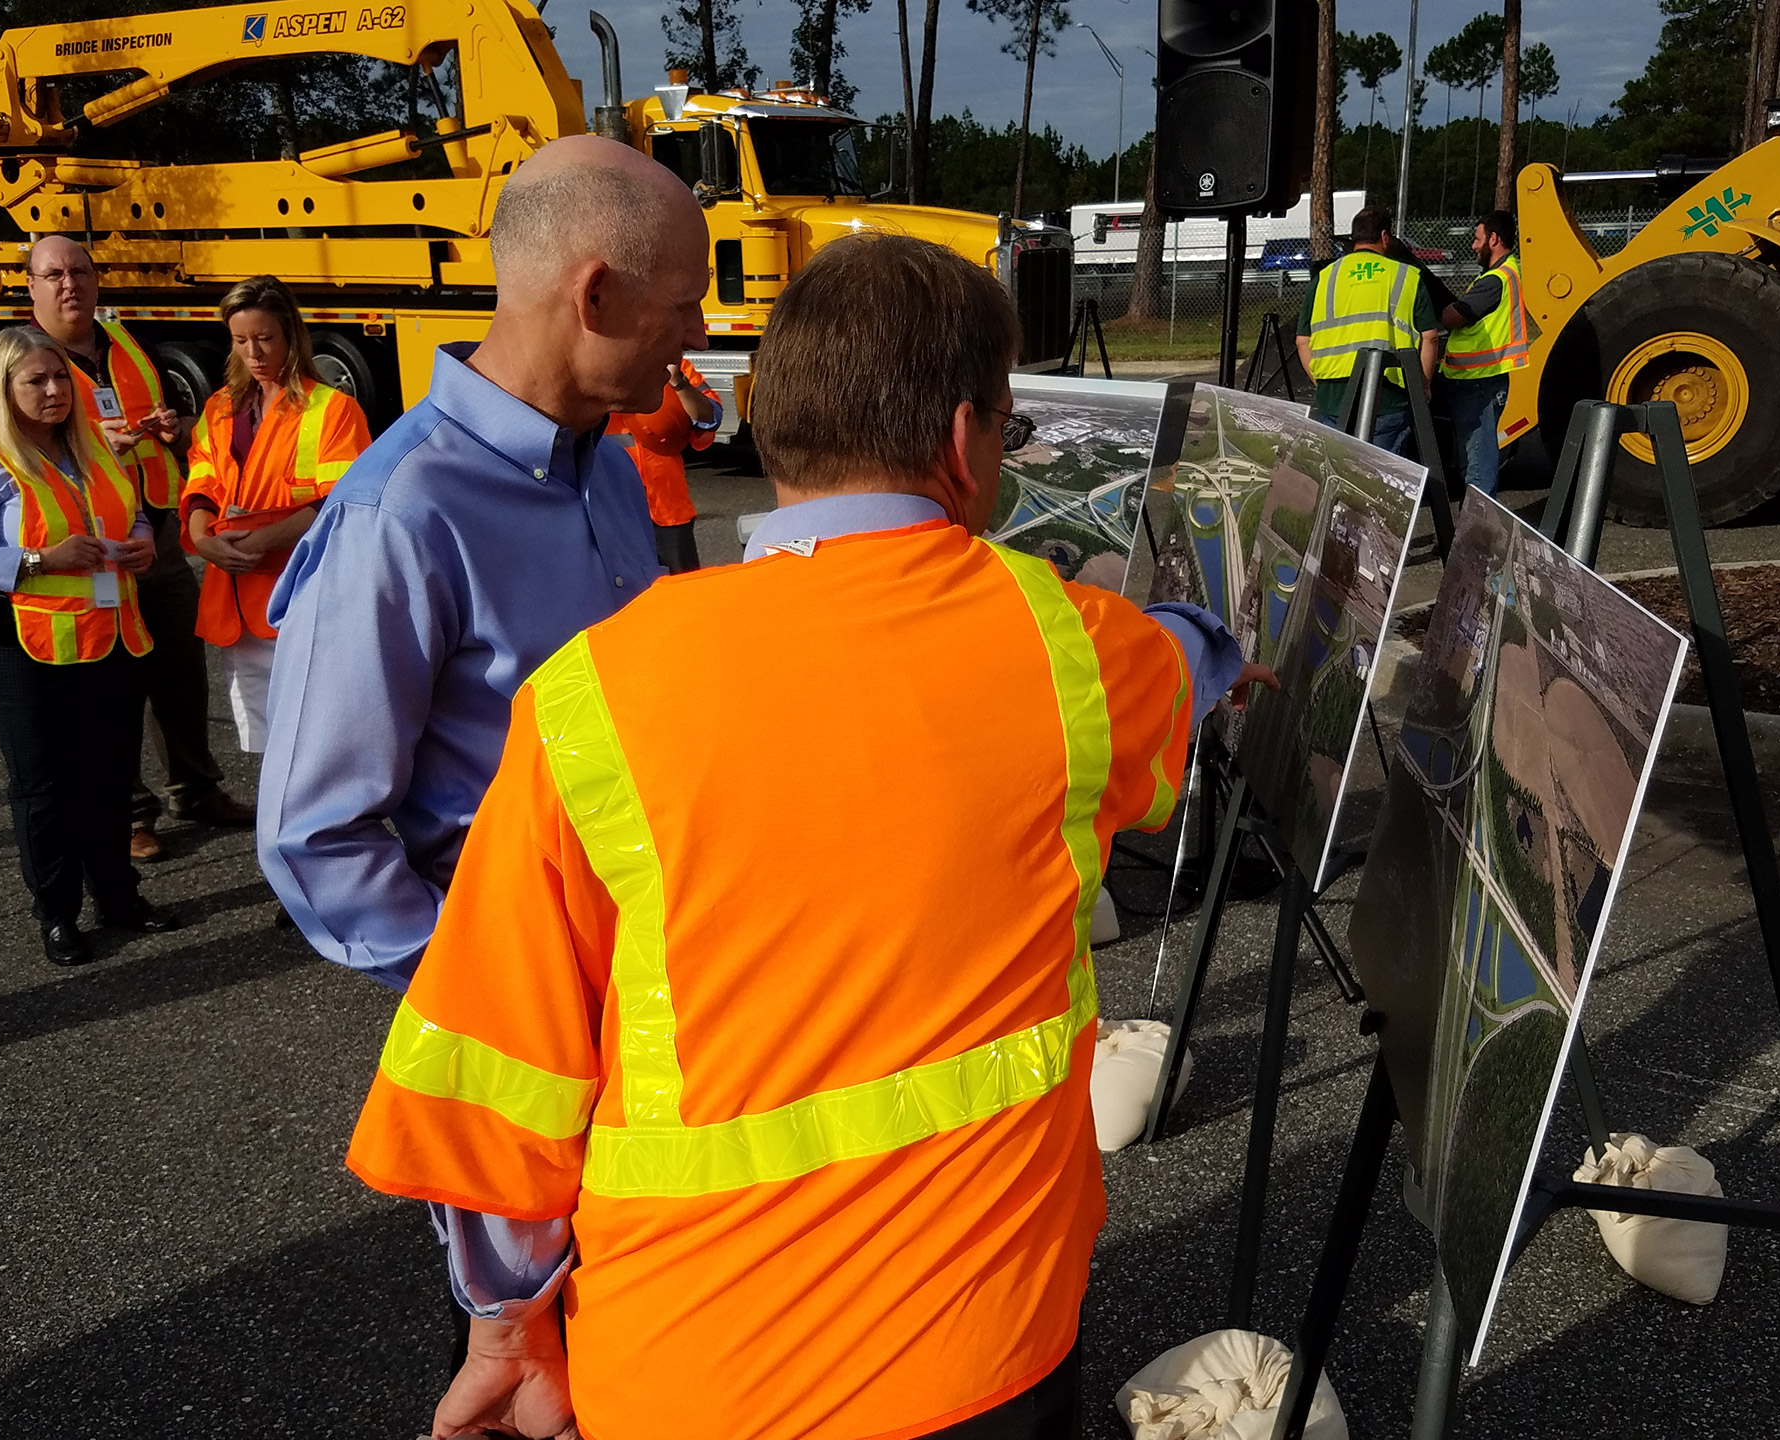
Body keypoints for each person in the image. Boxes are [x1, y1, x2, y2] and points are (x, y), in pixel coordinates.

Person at [345, 233, 1274, 1440]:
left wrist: (511, 1326)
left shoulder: (590, 695)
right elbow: (1188, 661)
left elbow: (503, 1072)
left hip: (685, 1372)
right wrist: (1219, 639)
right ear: (962, 438)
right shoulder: (1073, 649)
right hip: (985, 1341)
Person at [256, 133, 708, 1368]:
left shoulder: (605, 471)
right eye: (681, 309)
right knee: (529, 1355)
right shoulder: (404, 513)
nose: (695, 341)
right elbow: (315, 837)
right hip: (534, 1036)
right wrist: (492, 996)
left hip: (655, 1009)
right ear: (596, 294)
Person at [25, 236, 255, 861]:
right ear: (32, 288)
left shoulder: (124, 342)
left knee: (180, 672)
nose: (69, 284)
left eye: (79, 271)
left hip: (153, 530)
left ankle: (197, 789)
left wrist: (170, 429)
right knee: (112, 683)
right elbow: (18, 450)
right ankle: (128, 814)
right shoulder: (27, 359)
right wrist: (106, 447)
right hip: (89, 549)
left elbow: (164, 419)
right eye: (54, 275)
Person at [0, 326, 179, 964]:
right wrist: (41, 560)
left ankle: (119, 897)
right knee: (44, 788)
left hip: (111, 634)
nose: (53, 390)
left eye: (60, 377)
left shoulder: (92, 441)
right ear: (3, 388)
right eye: (35, 381)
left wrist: (145, 536)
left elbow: (129, 506)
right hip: (24, 646)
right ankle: (57, 915)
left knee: (109, 776)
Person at [181, 275, 370, 753]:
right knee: (264, 746)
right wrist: (203, 540)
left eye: (265, 339)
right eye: (241, 341)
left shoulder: (333, 409)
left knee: (317, 742)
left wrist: (263, 541)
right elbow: (202, 482)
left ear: (291, 335)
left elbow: (340, 502)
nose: (254, 353)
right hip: (235, 602)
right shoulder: (219, 407)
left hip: (300, 598)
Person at [1296, 205, 1444, 457]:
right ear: (1385, 237)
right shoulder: (1406, 276)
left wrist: (1320, 381)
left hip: (1333, 397)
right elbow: (1429, 337)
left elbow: (1302, 341)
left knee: (1339, 475)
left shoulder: (1324, 278)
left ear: (1355, 238)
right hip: (1388, 398)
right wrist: (1424, 387)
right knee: (1382, 482)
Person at [1438, 210, 1530, 498]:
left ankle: (1478, 532)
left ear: (1493, 238)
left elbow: (1454, 317)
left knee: (1478, 460)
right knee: (1475, 456)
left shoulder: (1496, 279)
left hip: (1480, 380)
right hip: (1480, 379)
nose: (1474, 245)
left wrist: (1442, 313)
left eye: (1477, 239)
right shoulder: (1504, 273)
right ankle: (1476, 525)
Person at [609, 357, 722, 572]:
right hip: (615, 512)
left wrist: (678, 383)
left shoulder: (675, 364)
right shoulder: (594, 366)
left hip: (668, 509)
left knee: (682, 593)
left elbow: (711, 417)